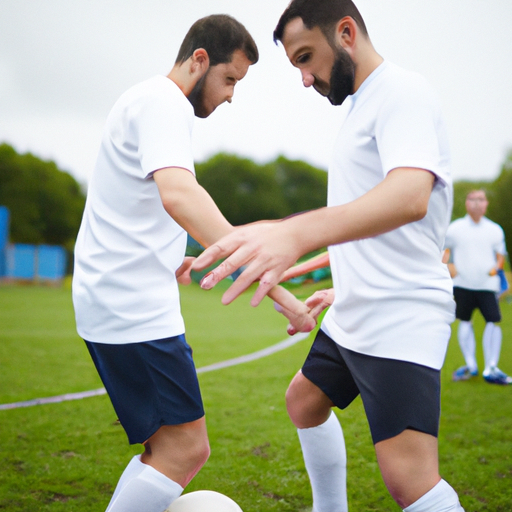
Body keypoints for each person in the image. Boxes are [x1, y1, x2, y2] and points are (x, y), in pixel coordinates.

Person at [193, 1, 466, 510]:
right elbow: (370, 220)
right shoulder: (363, 105)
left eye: (306, 57)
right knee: (304, 400)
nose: (304, 78)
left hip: (399, 314)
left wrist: (295, 234)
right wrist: (335, 274)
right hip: (356, 310)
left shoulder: (402, 92)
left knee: (409, 482)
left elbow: (410, 197)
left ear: (345, 32)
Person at [72, 14, 313, 512]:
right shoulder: (164, 102)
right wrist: (281, 291)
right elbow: (181, 195)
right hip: (131, 309)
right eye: (230, 80)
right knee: (185, 450)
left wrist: (169, 255)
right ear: (200, 60)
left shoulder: (143, 100)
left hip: (119, 298)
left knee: (166, 449)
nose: (229, 96)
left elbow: (138, 202)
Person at [444, 189, 511, 385]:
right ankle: (470, 366)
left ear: (486, 204)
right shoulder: (454, 228)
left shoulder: (495, 229)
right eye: (472, 199)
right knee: (464, 321)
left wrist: (495, 270)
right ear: (466, 203)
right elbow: (445, 251)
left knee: (493, 321)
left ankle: (491, 367)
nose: (476, 203)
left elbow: (501, 255)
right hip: (462, 285)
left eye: (480, 199)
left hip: (487, 286)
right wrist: (448, 266)